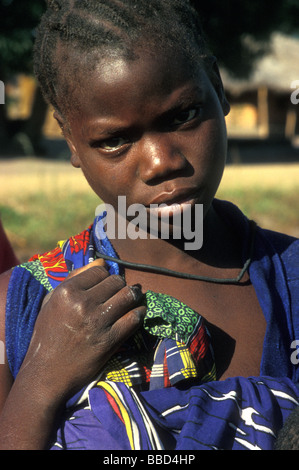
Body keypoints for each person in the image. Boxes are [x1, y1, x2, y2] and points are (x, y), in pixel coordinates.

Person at [0, 0, 298, 450]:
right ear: (72, 143)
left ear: (218, 88)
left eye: (182, 116)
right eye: (115, 140)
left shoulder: (292, 280)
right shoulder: (16, 309)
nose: (162, 163)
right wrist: (40, 383)